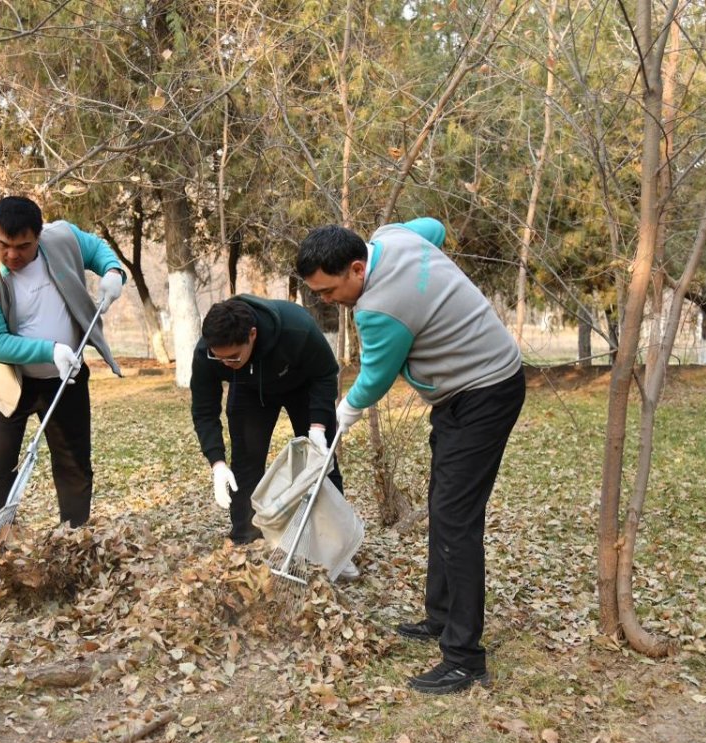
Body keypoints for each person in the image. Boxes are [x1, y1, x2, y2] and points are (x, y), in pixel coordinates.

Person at [296, 218, 525, 695]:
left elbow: (376, 377)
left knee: (455, 520)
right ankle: (440, 619)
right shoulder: (395, 236)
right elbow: (437, 228)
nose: (326, 300)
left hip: (483, 393)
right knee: (444, 507)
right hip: (465, 389)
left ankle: (464, 658)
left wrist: (346, 410)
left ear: (358, 268)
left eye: (330, 289)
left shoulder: (379, 308)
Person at [0, 196, 126, 539]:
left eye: (22, 246)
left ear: (39, 235)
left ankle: (73, 542)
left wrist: (113, 271)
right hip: (6, 384)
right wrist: (50, 350)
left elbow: (95, 248)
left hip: (65, 380)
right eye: (3, 244)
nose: (11, 255)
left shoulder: (60, 237)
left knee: (74, 464)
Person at [190, 295, 344, 548]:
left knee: (322, 461)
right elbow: (204, 409)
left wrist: (318, 427)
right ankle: (246, 540)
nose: (226, 364)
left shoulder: (297, 328)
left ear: (252, 335)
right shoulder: (207, 352)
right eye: (220, 359)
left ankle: (334, 542)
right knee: (245, 463)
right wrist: (216, 463)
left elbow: (326, 373)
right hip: (250, 390)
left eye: (233, 357)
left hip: (303, 386)